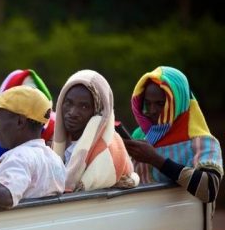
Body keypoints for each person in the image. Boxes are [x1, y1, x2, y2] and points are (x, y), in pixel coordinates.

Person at [124, 66, 223, 203]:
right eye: (147, 103)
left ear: (178, 102)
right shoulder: (140, 136)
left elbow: (209, 189)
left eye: (160, 104)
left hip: (183, 223)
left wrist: (156, 160)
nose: (152, 110)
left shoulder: (200, 142)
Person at [52, 69, 139, 192]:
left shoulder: (109, 148)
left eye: (84, 106)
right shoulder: (58, 146)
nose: (72, 112)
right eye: (68, 103)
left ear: (99, 110)